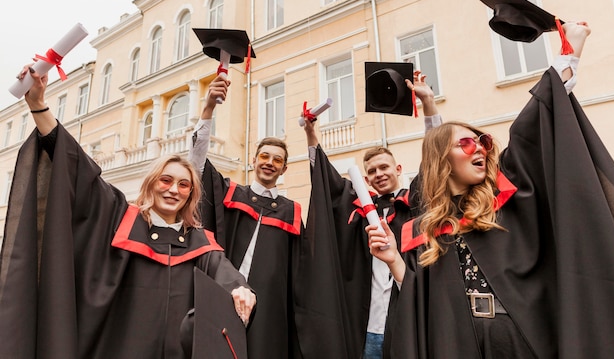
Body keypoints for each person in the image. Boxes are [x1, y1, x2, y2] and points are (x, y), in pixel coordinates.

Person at [367, 21, 614, 358]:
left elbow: (531, 129)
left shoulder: (503, 198)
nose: (480, 149)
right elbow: (421, 301)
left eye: (483, 142)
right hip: (458, 343)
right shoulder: (429, 225)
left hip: (515, 338)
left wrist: (569, 56)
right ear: (442, 160)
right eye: (466, 143)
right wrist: (392, 261)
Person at [0, 66, 256, 359]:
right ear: (151, 185)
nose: (174, 189)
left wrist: (242, 291)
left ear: (191, 195)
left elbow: (228, 276)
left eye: (184, 185)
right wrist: (37, 104)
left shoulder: (200, 244)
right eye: (166, 180)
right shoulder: (122, 219)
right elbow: (77, 169)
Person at [293, 71, 441, 359]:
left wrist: (429, 105)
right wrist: (311, 134)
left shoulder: (416, 201)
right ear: (366, 179)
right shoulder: (359, 208)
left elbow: (436, 159)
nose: (378, 174)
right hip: (368, 324)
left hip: (410, 317)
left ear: (398, 170)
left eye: (384, 167)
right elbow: (326, 183)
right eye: (372, 171)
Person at [188, 74, 302, 359]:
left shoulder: (291, 211)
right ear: (254, 161)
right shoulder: (230, 193)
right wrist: (208, 110)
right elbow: (197, 165)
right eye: (264, 156)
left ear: (284, 169)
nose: (269, 163)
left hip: (269, 309)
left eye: (277, 160)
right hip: (222, 295)